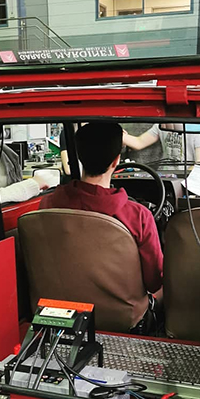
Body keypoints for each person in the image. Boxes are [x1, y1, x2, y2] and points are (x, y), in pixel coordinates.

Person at [39, 121, 163, 293]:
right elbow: (154, 281)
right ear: (116, 161)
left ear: (79, 156)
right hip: (123, 308)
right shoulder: (139, 216)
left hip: (60, 302)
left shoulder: (48, 205)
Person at [122, 123, 200, 165]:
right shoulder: (161, 124)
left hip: (187, 179)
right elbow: (139, 143)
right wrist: (119, 134)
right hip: (165, 176)